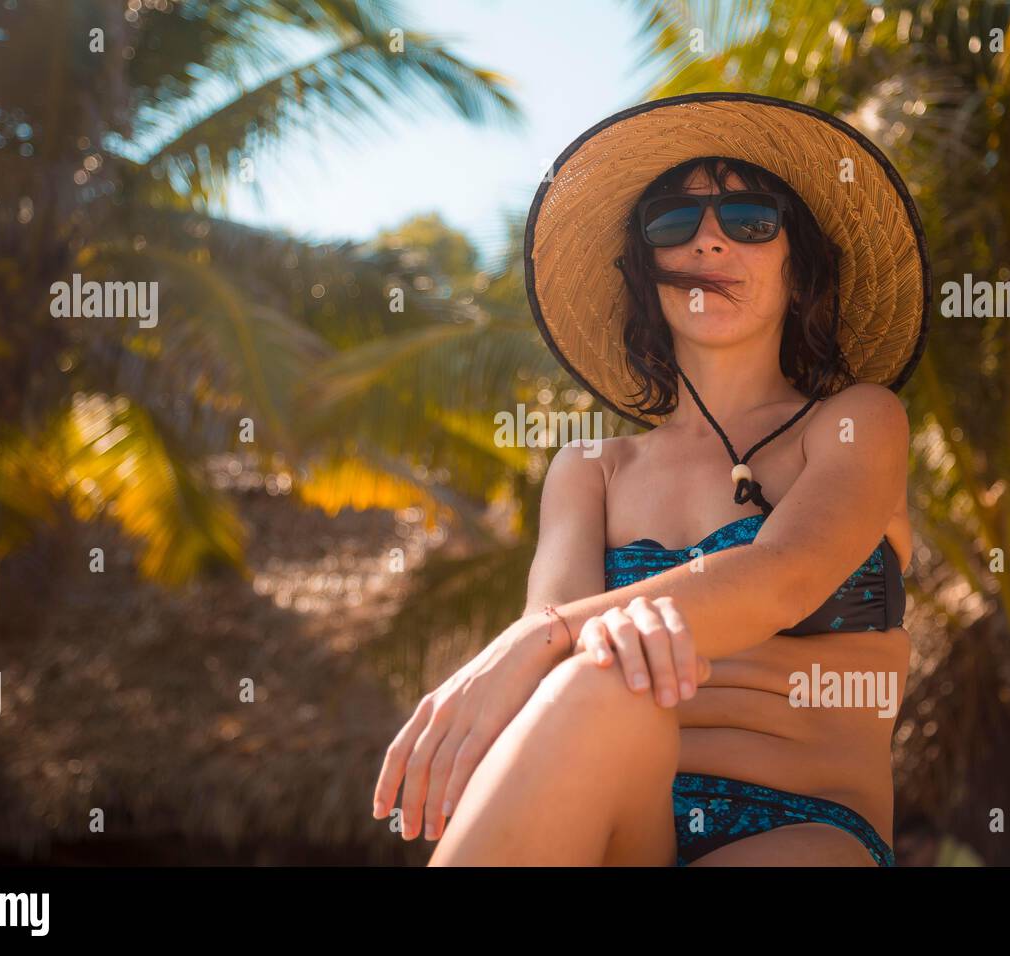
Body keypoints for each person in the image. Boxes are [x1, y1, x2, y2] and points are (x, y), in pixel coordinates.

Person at [372, 93, 931, 866]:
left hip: (803, 830)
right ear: (648, 277)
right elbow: (555, 650)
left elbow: (783, 577)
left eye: (749, 220)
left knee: (588, 655)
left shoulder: (856, 422)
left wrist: (542, 636)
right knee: (594, 683)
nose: (708, 240)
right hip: (621, 823)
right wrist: (551, 639)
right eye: (674, 221)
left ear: (798, 271)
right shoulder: (590, 470)